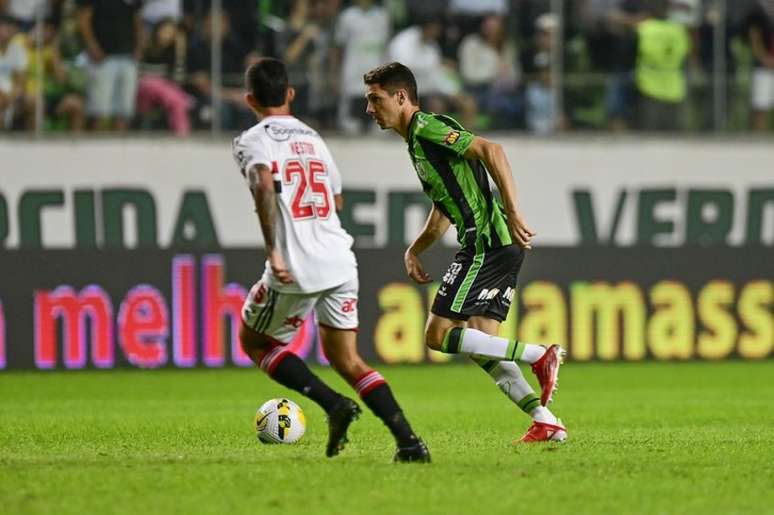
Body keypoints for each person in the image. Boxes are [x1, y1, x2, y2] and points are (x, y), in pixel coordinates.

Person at [232, 58, 430, 463]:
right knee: (347, 358)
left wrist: (274, 251)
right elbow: (336, 198)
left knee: (254, 341)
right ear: (290, 94)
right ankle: (410, 443)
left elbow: (263, 184)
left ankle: (332, 404)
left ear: (249, 99)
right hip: (339, 258)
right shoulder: (314, 138)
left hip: (296, 262)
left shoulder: (252, 140)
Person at [363, 62, 567, 444]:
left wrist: (513, 209)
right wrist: (415, 249)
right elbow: (443, 213)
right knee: (483, 343)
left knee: (438, 335)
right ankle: (545, 420)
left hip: (486, 242)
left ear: (401, 97)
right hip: (498, 244)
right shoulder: (417, 142)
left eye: (376, 99)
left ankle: (540, 355)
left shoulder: (425, 127)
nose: (370, 109)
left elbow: (492, 149)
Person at [76, 0, 143, 131]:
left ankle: (120, 149)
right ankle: (93, 148)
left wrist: (139, 48)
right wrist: (92, 46)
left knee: (124, 111)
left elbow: (137, 20)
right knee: (98, 110)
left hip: (128, 56)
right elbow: (84, 19)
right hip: (103, 57)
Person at [746, 0, 774, 131]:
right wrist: (763, 58)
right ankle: (758, 138)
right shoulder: (758, 11)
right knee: (760, 105)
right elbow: (754, 35)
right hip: (764, 67)